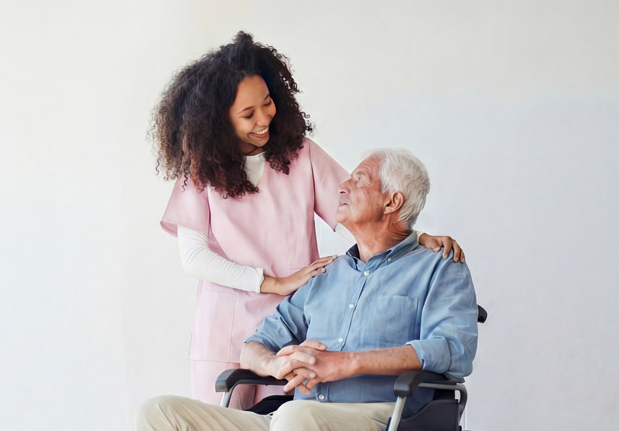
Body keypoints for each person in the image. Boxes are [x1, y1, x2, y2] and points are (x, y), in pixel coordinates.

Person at [151, 32, 466, 408]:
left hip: (292, 322)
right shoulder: (199, 172)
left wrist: (418, 236)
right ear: (217, 121)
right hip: (223, 326)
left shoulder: (301, 155)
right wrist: (275, 282)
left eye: (267, 104)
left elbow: (366, 208)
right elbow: (194, 258)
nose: (264, 118)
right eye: (248, 114)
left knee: (281, 419)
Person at [135, 148, 478, 431]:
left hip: (381, 417)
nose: (341, 186)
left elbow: (452, 348)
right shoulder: (325, 276)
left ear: (392, 202)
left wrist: (346, 364)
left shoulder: (439, 267)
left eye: (358, 180)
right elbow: (255, 345)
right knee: (158, 413)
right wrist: (275, 364)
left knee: (294, 417)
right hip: (294, 418)